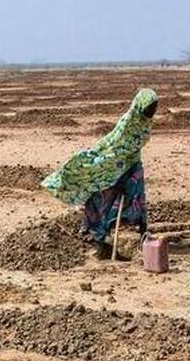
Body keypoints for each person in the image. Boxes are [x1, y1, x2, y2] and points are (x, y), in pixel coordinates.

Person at [41, 88, 159, 260]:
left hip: (133, 168)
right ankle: (97, 236)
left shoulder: (145, 123)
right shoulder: (128, 123)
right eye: (150, 107)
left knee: (136, 200)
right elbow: (114, 146)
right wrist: (114, 167)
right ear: (140, 105)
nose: (152, 111)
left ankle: (141, 233)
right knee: (105, 200)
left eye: (154, 107)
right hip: (115, 168)